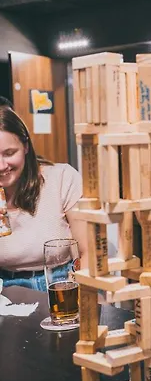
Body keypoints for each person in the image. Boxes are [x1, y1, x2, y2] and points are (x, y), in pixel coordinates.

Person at [0, 107, 86, 291]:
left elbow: (87, 252)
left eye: (9, 153)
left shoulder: (61, 178)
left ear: (26, 146)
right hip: (4, 287)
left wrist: (84, 295)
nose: (1, 166)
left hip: (61, 282)